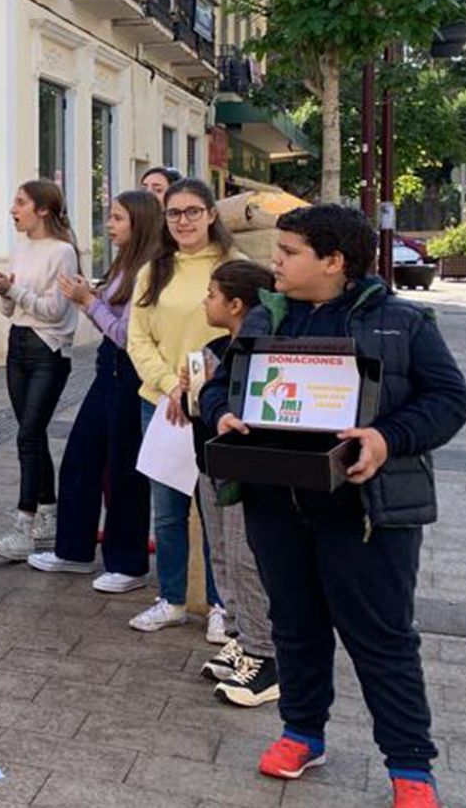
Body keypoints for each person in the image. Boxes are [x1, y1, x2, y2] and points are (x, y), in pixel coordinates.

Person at [202, 205, 466, 808]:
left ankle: (409, 766)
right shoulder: (264, 319)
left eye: (289, 251)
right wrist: (219, 408)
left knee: (382, 637)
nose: (275, 260)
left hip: (366, 512)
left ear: (334, 262)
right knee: (295, 627)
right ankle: (302, 732)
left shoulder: (404, 323)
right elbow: (222, 383)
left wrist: (385, 438)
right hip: (276, 501)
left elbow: (451, 401)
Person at [29, 189, 164, 593]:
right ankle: (73, 549)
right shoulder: (125, 262)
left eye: (118, 218)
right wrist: (92, 294)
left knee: (124, 470)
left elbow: (127, 334)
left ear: (138, 222)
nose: (110, 225)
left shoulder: (150, 268)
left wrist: (89, 301)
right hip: (109, 370)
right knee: (82, 456)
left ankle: (128, 562)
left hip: (130, 372)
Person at [125, 177, 243, 636]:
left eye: (193, 211)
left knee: (216, 511)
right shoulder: (153, 270)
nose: (184, 221)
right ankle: (171, 598)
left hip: (215, 409)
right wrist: (167, 384)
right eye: (174, 213)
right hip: (161, 406)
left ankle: (221, 605)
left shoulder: (235, 265)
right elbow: (139, 338)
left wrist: (199, 388)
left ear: (212, 214)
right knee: (168, 511)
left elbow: (244, 335)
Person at [187, 259, 281, 709]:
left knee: (247, 557)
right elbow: (204, 402)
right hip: (210, 461)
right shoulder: (214, 347)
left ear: (237, 303)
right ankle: (244, 638)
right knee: (222, 552)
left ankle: (266, 653)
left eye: (211, 294)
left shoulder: (263, 350)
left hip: (244, 466)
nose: (205, 301)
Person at [0, 180, 80, 561]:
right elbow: (13, 308)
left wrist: (13, 292)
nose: (12, 209)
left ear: (42, 209)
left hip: (48, 349)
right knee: (32, 435)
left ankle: (24, 525)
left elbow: (55, 310)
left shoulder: (64, 251)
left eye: (20, 202)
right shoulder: (22, 249)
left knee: (27, 435)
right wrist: (3, 291)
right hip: (18, 343)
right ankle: (48, 516)